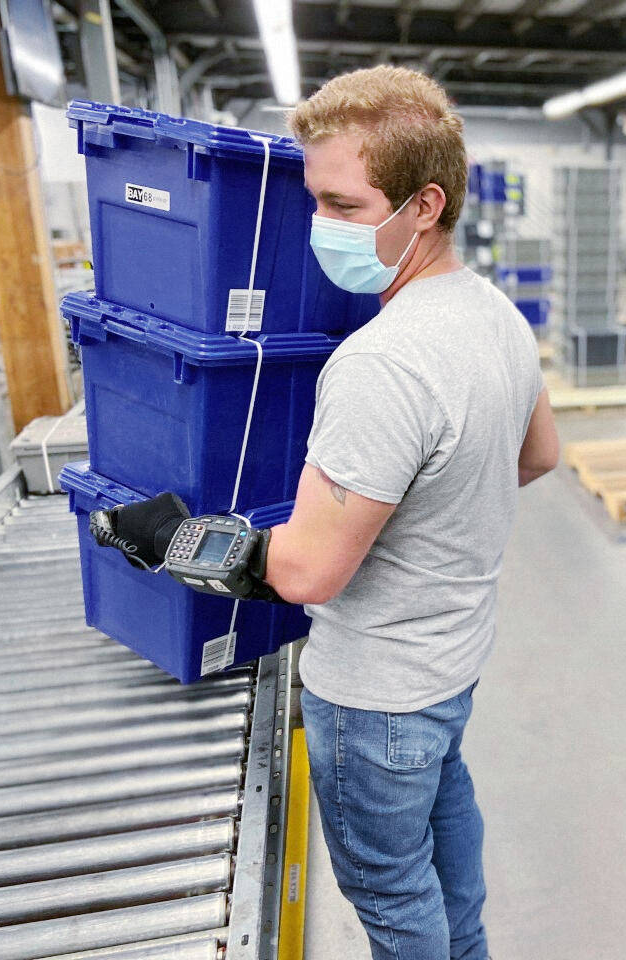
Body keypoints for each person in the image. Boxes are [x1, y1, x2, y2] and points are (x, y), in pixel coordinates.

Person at [101, 66, 558, 959]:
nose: (320, 229)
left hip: (377, 693)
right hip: (451, 663)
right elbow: (537, 456)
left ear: (425, 205)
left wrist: (167, 540)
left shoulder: (382, 362)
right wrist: (423, 506)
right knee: (445, 854)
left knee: (393, 898)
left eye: (345, 207)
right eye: (313, 202)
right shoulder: (495, 314)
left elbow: (308, 571)